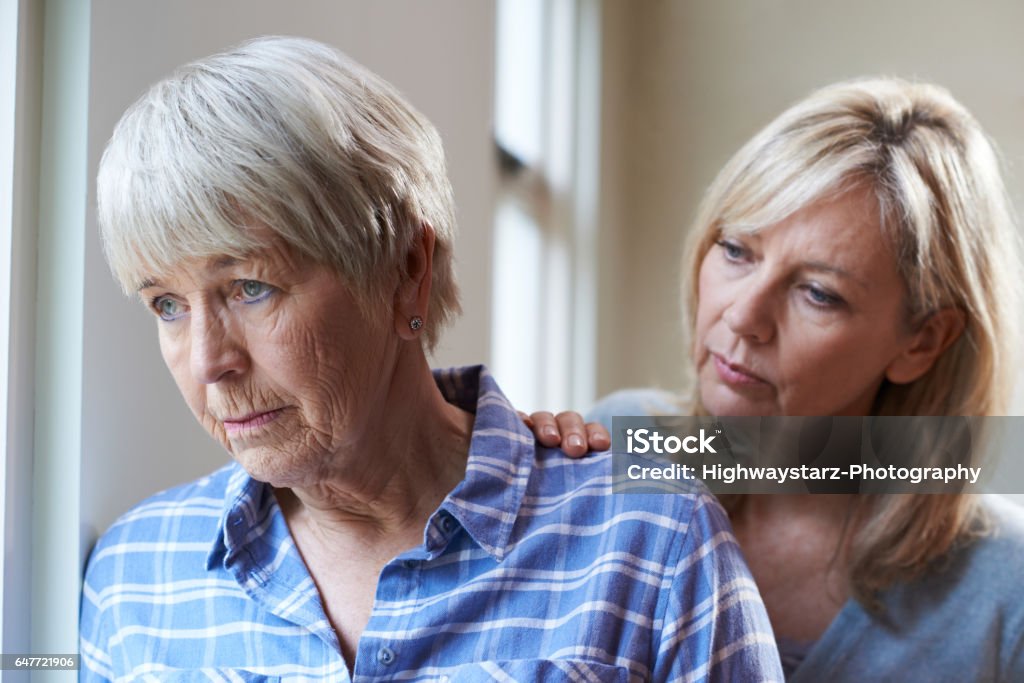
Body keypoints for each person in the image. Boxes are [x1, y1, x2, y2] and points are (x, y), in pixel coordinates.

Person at [79, 36, 783, 682]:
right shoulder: (132, 575)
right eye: (166, 304)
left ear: (407, 270)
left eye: (251, 288)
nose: (208, 361)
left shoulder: (650, 540)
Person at [529, 77, 1024, 681]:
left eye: (818, 292)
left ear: (921, 342)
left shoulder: (1006, 587)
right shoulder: (617, 441)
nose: (742, 315)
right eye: (737, 250)